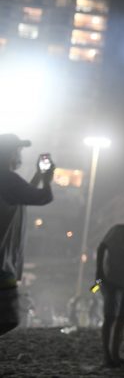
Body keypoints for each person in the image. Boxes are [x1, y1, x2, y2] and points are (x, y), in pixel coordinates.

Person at [0, 134, 54, 337]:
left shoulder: (7, 181)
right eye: (18, 150)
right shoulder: (7, 178)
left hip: (3, 262)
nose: (20, 154)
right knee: (9, 317)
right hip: (1, 263)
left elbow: (23, 194)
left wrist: (39, 176)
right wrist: (48, 179)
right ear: (9, 153)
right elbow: (42, 197)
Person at [96, 217, 124, 366]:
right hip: (110, 279)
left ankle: (115, 354)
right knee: (110, 317)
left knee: (123, 318)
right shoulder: (119, 229)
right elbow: (102, 247)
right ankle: (107, 356)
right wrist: (99, 270)